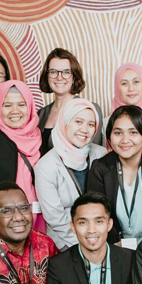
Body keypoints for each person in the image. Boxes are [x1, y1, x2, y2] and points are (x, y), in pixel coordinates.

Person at [87, 106, 142, 247]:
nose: (125, 140)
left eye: (133, 132)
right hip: (116, 246)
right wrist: (114, 242)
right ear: (109, 136)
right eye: (118, 133)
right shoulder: (100, 168)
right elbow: (96, 209)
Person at [35, 98, 107, 251]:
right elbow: (55, 218)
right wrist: (83, 245)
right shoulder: (46, 166)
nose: (85, 129)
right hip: (64, 245)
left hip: (101, 241)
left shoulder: (101, 154)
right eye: (78, 122)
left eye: (91, 124)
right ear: (65, 123)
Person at [0, 80, 46, 232]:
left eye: (21, 104)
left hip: (44, 219)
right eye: (7, 105)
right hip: (7, 222)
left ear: (30, 106)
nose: (15, 111)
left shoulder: (44, 138)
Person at [36, 47, 105, 150]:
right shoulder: (40, 114)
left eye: (66, 72)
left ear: (74, 77)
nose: (59, 77)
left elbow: (95, 153)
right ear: (47, 76)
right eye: (53, 72)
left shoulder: (89, 110)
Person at [110, 62, 142, 147]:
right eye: (124, 83)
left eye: (136, 82)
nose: (131, 88)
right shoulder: (107, 123)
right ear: (116, 88)